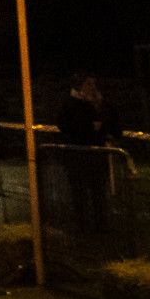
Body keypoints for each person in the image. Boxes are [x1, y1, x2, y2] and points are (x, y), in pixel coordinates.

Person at [56, 72, 120, 233]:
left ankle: (101, 225)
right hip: (78, 155)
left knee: (99, 191)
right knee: (79, 192)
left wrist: (107, 129)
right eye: (88, 84)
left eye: (94, 84)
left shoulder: (101, 104)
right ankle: (82, 225)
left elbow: (114, 122)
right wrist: (87, 127)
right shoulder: (71, 105)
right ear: (79, 86)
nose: (92, 88)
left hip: (97, 155)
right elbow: (64, 125)